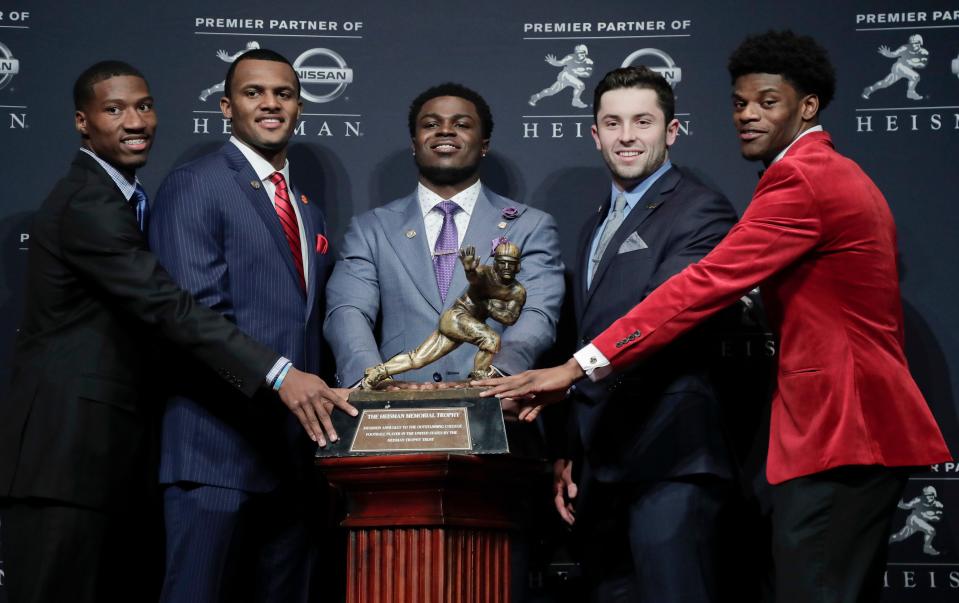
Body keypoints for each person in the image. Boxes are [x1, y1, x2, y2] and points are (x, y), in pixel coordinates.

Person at [477, 30, 951, 603]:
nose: (747, 116)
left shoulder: (803, 179)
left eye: (767, 102)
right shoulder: (821, 172)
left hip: (842, 427)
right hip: (850, 428)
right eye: (739, 102)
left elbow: (701, 286)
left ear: (807, 107)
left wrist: (577, 368)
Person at [0, 60, 354, 603]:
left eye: (143, 106)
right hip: (76, 451)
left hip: (166, 454)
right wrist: (281, 374)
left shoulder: (299, 207)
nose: (134, 120)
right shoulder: (96, 200)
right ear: (81, 121)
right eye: (114, 109)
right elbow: (175, 309)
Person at [544, 65, 740, 602]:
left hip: (669, 458)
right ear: (595, 134)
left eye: (643, 121)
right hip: (600, 468)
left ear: (671, 131)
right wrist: (569, 451)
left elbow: (665, 314)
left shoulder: (702, 209)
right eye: (613, 122)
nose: (627, 135)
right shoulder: (594, 223)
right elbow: (583, 333)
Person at [148, 48, 337, 603]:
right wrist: (280, 376)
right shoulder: (195, 184)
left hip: (293, 455)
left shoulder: (306, 207)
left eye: (283, 93)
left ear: (299, 106)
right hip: (215, 449)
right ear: (227, 107)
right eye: (255, 93)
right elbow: (192, 316)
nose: (270, 104)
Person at [324, 82, 564, 390]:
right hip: (395, 411)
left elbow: (537, 313)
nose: (445, 131)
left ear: (484, 143)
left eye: (462, 124)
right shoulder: (370, 228)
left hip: (496, 406)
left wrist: (498, 379)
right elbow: (348, 310)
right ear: (415, 142)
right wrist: (372, 382)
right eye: (431, 124)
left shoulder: (531, 226)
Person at [361, 241, 526, 389]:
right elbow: (475, 278)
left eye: (510, 264)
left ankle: (378, 372)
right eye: (502, 263)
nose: (506, 267)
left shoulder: (517, 291)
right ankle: (479, 381)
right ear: (495, 263)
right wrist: (469, 269)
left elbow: (510, 318)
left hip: (466, 325)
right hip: (456, 317)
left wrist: (487, 304)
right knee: (491, 339)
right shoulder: (485, 273)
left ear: (518, 266)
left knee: (418, 359)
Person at [861, 34, 928, 100]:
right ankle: (910, 93)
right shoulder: (905, 48)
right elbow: (894, 54)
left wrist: (913, 63)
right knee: (915, 76)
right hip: (899, 67)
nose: (913, 45)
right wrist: (888, 54)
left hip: (906, 70)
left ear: (920, 42)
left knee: (885, 83)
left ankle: (870, 89)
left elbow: (923, 65)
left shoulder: (924, 52)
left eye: (916, 43)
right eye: (911, 43)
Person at [528, 45, 594, 108]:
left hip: (573, 77)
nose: (579, 55)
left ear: (586, 52)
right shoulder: (570, 57)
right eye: (578, 53)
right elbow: (560, 63)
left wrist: (577, 72)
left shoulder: (589, 62)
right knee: (580, 85)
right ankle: (575, 101)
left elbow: (587, 74)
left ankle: (536, 96)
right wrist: (554, 62)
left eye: (582, 53)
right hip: (565, 75)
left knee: (551, 91)